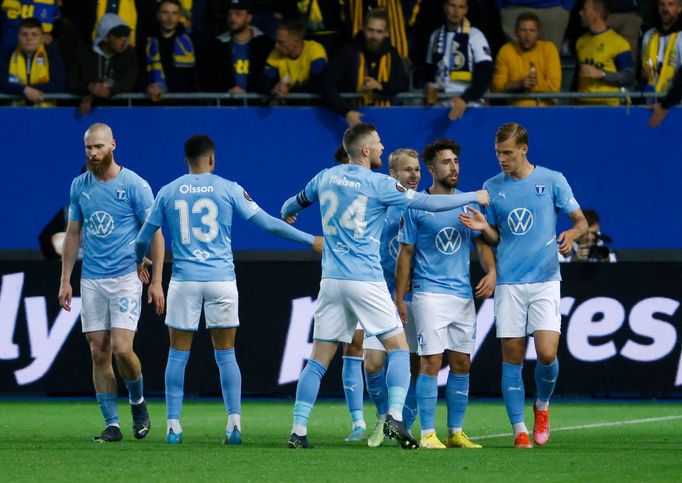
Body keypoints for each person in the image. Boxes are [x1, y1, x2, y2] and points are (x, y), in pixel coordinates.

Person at [280, 122, 490, 449]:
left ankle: (298, 430)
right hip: (364, 278)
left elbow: (291, 205)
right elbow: (428, 204)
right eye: (377, 144)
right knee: (400, 349)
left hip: (331, 280)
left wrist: (289, 213)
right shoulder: (378, 183)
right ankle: (393, 415)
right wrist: (475, 196)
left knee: (319, 359)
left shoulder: (325, 177)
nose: (380, 147)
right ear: (365, 151)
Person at [134, 134, 322, 445]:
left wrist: (141, 259)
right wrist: (309, 239)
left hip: (185, 280)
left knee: (177, 355)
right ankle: (234, 424)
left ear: (186, 161)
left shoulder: (168, 191)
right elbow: (268, 224)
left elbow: (144, 237)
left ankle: (173, 426)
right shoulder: (228, 187)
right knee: (226, 355)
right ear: (212, 159)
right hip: (221, 279)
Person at [459, 122, 587, 448]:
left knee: (546, 353)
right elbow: (487, 240)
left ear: (524, 149)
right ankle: (519, 430)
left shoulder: (552, 180)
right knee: (512, 357)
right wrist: (490, 268)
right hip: (510, 284)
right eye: (498, 153)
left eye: (508, 153)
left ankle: (541, 407)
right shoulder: (491, 187)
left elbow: (580, 222)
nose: (502, 159)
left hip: (545, 280)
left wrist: (571, 235)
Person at [58, 123, 165, 443]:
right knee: (98, 351)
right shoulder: (79, 186)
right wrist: (66, 279)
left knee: (121, 349)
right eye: (88, 147)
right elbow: (73, 233)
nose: (93, 153)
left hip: (126, 278)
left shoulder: (134, 185)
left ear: (113, 146)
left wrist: (157, 280)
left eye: (99, 147)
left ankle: (137, 402)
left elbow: (156, 234)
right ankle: (112, 424)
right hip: (92, 278)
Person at [395, 138, 495, 450]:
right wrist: (400, 298)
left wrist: (491, 272)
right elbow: (406, 253)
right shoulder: (417, 206)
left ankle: (455, 432)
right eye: (446, 162)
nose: (453, 167)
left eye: (455, 161)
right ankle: (427, 433)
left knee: (462, 362)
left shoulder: (469, 204)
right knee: (431, 362)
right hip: (429, 295)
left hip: (463, 295)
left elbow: (482, 244)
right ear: (431, 168)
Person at [322, 8, 409, 126]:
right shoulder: (348, 51)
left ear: (387, 33)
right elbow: (327, 83)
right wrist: (346, 111)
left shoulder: (391, 53)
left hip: (385, 119)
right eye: (370, 30)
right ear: (363, 28)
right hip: (352, 118)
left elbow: (403, 85)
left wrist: (381, 86)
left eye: (379, 32)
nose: (374, 36)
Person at [425, 0, 493, 120]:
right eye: (452, 6)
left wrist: (465, 98)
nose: (456, 12)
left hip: (470, 105)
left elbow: (485, 75)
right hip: (441, 104)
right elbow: (429, 71)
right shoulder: (435, 35)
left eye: (461, 7)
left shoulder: (475, 35)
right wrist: (429, 85)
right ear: (445, 6)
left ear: (466, 10)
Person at [199, 0, 273, 94]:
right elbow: (207, 79)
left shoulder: (265, 44)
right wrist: (227, 91)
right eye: (229, 14)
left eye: (238, 14)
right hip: (227, 105)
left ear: (249, 17)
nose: (232, 18)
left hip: (257, 105)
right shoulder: (216, 46)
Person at [69, 14, 137, 115]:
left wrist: (105, 92)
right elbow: (71, 82)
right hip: (86, 114)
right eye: (118, 35)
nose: (123, 39)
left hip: (119, 113)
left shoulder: (129, 55)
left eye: (126, 34)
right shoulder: (83, 54)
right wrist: (89, 87)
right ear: (105, 37)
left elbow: (129, 82)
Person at [491, 12, 561, 106]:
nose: (527, 36)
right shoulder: (506, 51)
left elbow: (554, 87)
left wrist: (527, 87)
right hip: (516, 111)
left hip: (545, 110)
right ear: (516, 32)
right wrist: (520, 84)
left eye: (532, 30)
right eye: (523, 30)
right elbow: (497, 87)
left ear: (538, 33)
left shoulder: (549, 49)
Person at [574, 0, 635, 105]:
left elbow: (628, 77)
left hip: (608, 106)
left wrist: (601, 74)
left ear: (596, 13)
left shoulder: (618, 42)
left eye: (584, 9)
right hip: (582, 105)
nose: (580, 12)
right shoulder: (580, 42)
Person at [0, 17, 64, 106]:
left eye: (34, 34)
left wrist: (27, 89)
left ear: (42, 37)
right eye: (24, 34)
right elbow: (1, 83)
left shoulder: (51, 53)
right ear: (18, 36)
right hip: (13, 113)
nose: (29, 38)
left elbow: (58, 84)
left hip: (45, 113)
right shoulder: (7, 54)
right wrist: (24, 90)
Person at [145, 0, 196, 102]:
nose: (169, 18)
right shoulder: (148, 41)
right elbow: (142, 72)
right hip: (155, 103)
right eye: (165, 12)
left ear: (179, 16)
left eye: (174, 13)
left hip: (184, 104)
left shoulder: (191, 41)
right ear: (158, 15)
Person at [262, 19, 327, 98]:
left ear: (296, 40)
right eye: (277, 41)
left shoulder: (315, 50)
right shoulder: (276, 52)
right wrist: (274, 89)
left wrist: (289, 91)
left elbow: (316, 82)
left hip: (313, 104)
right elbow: (264, 81)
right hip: (290, 105)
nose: (276, 45)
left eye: (281, 42)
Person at [641, 0, 682, 97]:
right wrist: (644, 74)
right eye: (662, 4)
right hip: (652, 98)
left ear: (680, 9)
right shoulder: (649, 35)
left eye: (670, 4)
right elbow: (642, 69)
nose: (665, 9)